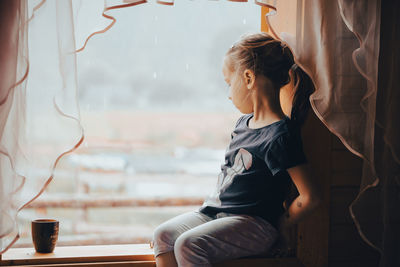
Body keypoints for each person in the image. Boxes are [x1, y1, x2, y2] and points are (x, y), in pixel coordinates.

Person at [152, 32, 321, 267]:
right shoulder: (243, 124)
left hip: (254, 224)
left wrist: (282, 222)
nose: (229, 93)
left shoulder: (279, 136)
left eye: (229, 83)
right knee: (163, 236)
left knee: (188, 245)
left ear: (249, 78)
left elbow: (311, 196)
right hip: (215, 212)